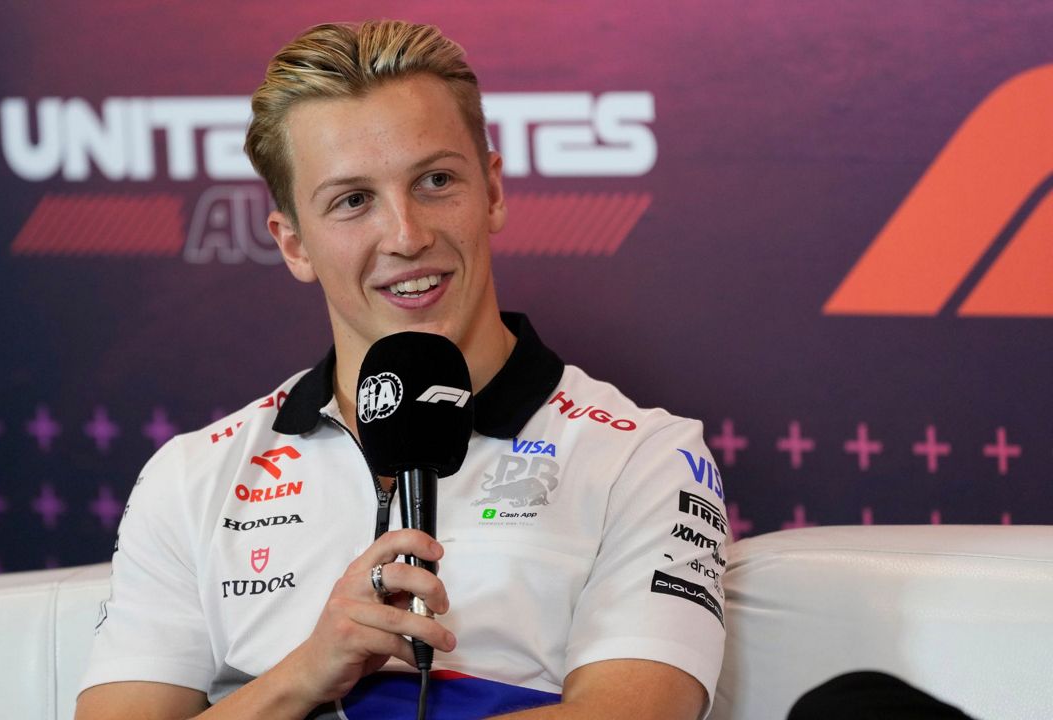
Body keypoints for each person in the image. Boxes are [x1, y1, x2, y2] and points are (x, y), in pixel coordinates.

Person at [73, 20, 727, 720]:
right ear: (292, 242)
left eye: (436, 180)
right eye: (353, 201)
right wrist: (306, 672)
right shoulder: (193, 477)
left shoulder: (642, 456)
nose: (408, 237)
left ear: (493, 193)